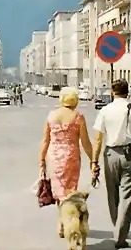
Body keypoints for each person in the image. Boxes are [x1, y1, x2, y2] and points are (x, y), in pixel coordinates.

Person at [91, 79, 131, 249]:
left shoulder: (105, 111)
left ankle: (118, 228)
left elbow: (98, 139)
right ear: (127, 91)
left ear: (112, 92)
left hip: (110, 155)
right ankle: (120, 236)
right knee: (127, 197)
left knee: (112, 195)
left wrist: (94, 162)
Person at [39, 87, 93, 239]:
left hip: (55, 158)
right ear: (75, 100)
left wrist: (42, 160)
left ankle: (62, 223)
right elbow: (86, 142)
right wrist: (93, 160)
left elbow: (45, 141)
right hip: (72, 158)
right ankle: (71, 222)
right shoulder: (78, 117)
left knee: (59, 193)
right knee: (70, 192)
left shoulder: (51, 116)